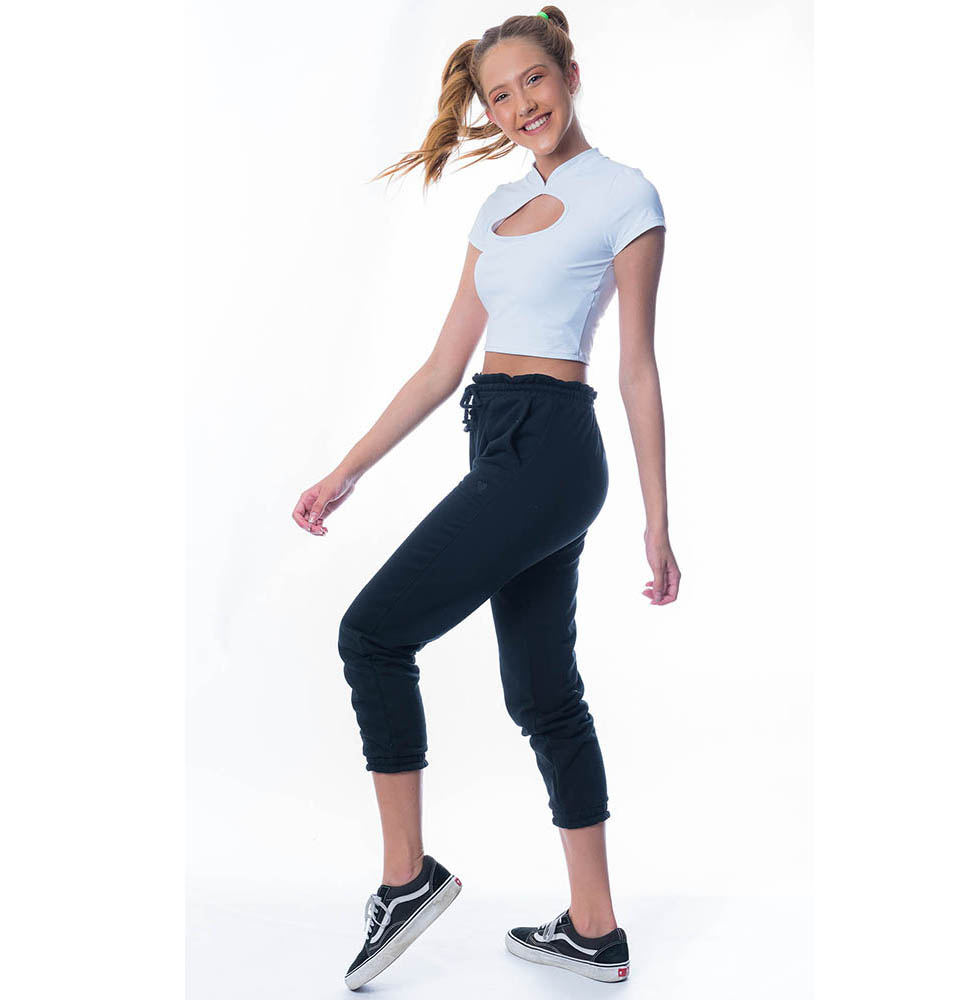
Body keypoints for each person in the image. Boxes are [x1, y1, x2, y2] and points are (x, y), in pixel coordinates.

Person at [292, 7, 681, 990]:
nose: (519, 107)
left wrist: (658, 520)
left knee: (372, 634)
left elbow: (637, 366)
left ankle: (405, 878)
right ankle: (593, 930)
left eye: (532, 82)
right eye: (499, 96)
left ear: (569, 75)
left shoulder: (625, 197)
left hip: (551, 450)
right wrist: (345, 471)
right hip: (494, 437)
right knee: (544, 694)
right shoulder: (496, 211)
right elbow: (439, 367)